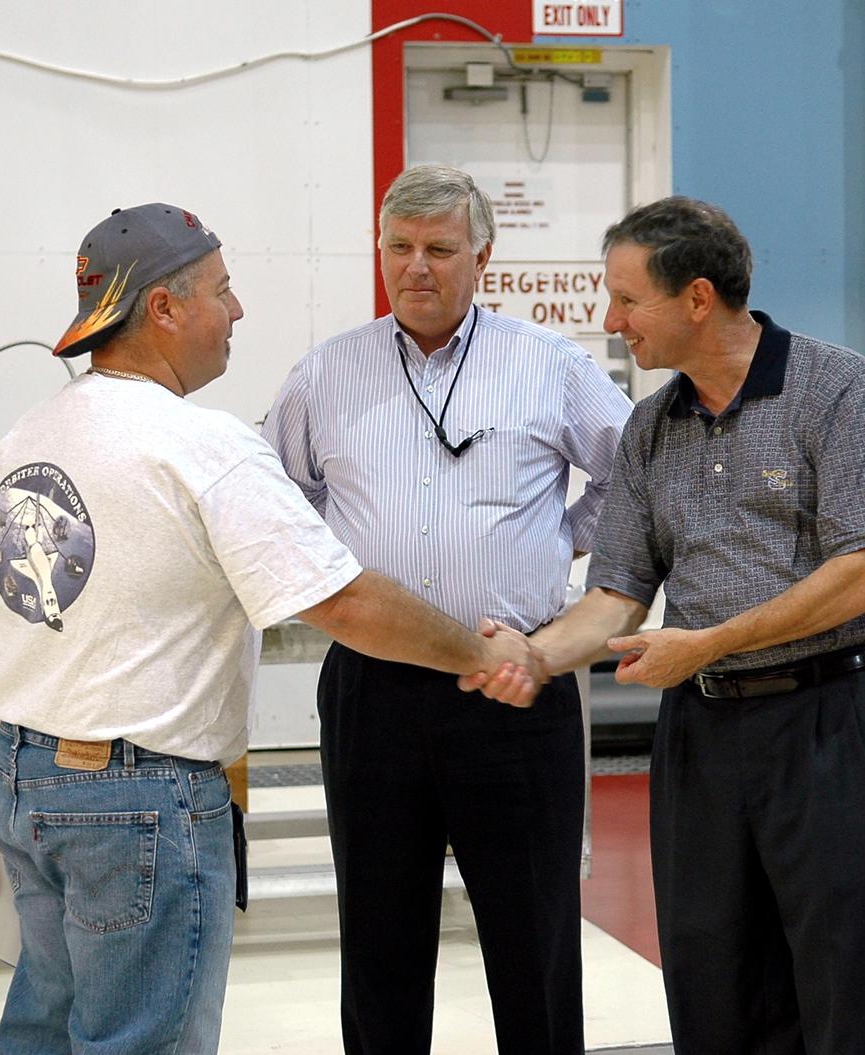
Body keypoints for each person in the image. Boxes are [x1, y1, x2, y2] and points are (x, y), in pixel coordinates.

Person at [0, 202, 539, 1055]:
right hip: (139, 795)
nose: (237, 311)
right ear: (163, 309)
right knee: (141, 1040)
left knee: (47, 1028)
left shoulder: (32, 431)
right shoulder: (200, 445)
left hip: (27, 778)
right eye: (222, 289)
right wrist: (479, 650)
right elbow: (344, 601)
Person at [474, 195, 865, 1055]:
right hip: (703, 740)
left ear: (698, 298)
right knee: (711, 993)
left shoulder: (837, 389)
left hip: (832, 725)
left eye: (627, 300)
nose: (612, 322)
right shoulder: (648, 427)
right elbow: (615, 597)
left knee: (843, 998)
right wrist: (530, 655)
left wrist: (708, 643)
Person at [262, 164, 631, 1055]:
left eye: (439, 248)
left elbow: (636, 475)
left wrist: (560, 537)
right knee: (381, 936)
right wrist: (338, 578)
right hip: (373, 687)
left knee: (533, 933)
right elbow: (276, 498)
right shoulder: (326, 374)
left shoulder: (550, 365)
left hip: (513, 678)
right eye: (399, 247)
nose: (416, 266)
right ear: (378, 251)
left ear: (483, 257)